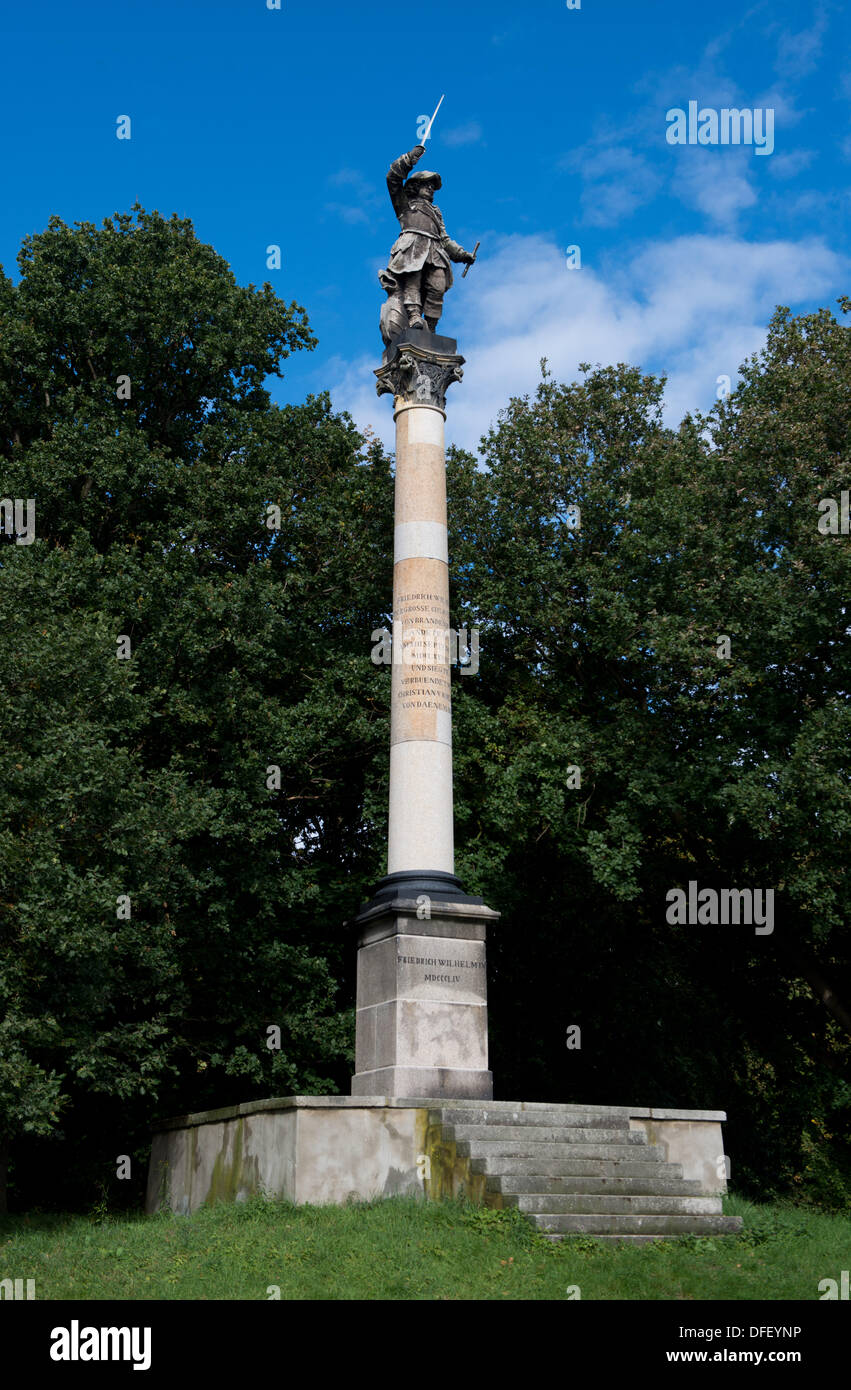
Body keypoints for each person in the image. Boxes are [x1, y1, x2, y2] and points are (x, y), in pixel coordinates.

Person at [380, 144, 476, 337]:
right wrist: (409, 158)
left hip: (435, 251)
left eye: (433, 186)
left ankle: (431, 328)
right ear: (416, 186)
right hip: (412, 248)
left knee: (437, 287)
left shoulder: (436, 212)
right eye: (427, 184)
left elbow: (444, 239)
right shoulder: (404, 204)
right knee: (412, 283)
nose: (431, 188)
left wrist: (462, 255)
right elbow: (393, 178)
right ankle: (414, 315)